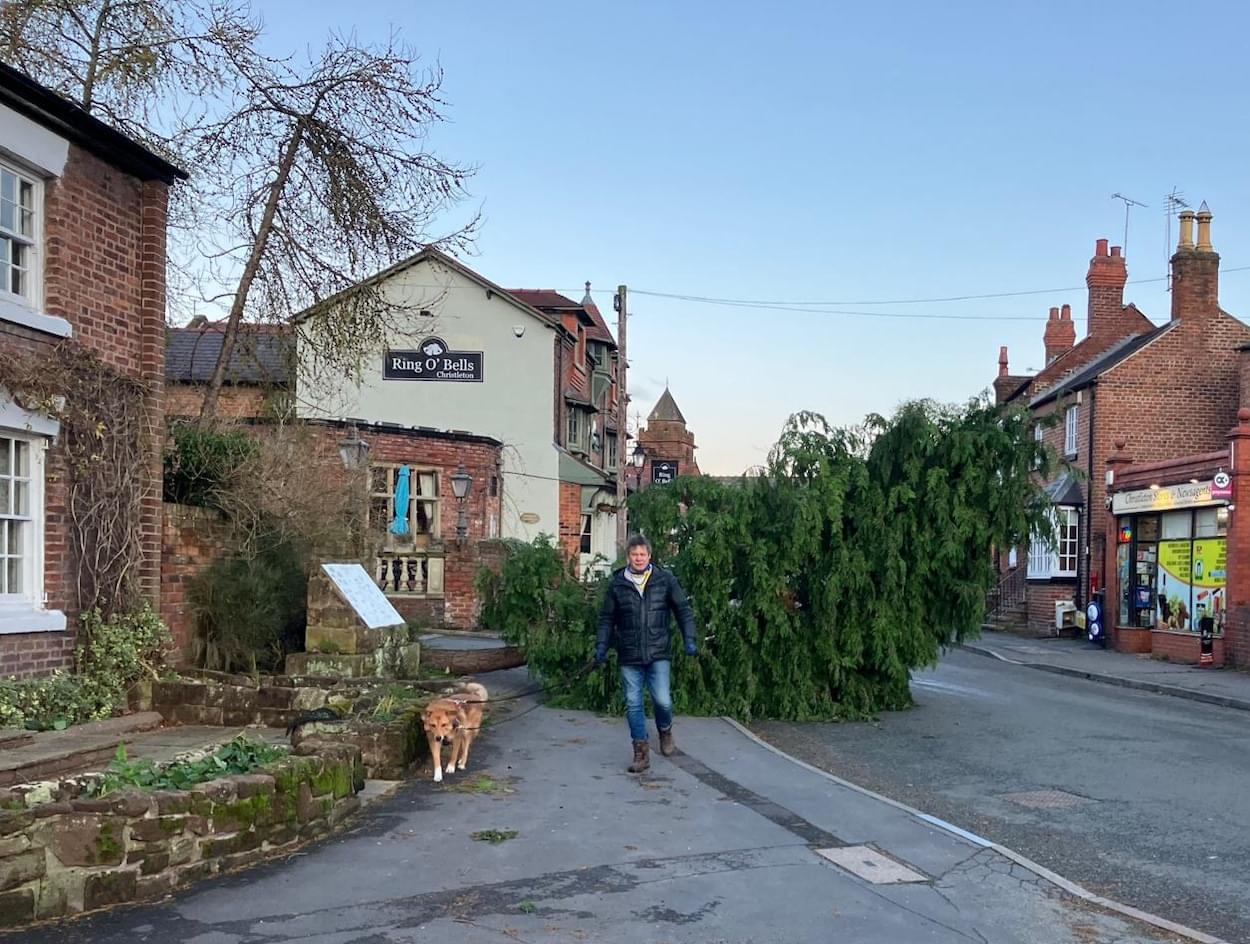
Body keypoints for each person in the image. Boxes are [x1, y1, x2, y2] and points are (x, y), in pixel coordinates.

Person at [595, 534, 698, 773]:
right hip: (629, 654)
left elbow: (683, 610)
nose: (638, 558)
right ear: (628, 556)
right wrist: (601, 645)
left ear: (649, 556)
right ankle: (641, 752)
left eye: (642, 554)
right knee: (633, 703)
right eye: (634, 554)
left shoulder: (665, 580)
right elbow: (607, 619)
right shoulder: (618, 584)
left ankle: (665, 730)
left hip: (658, 651)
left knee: (663, 700)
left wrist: (689, 639)